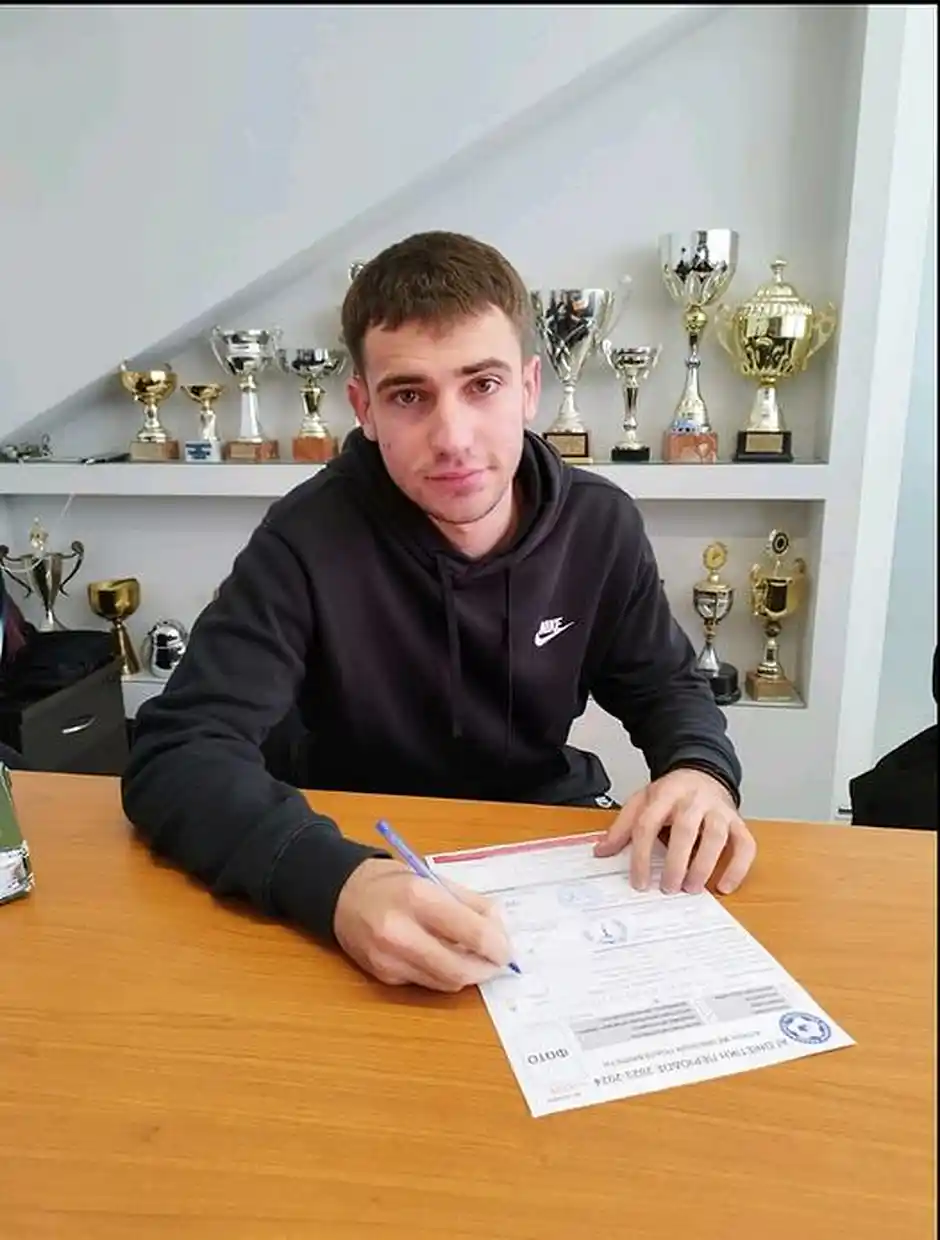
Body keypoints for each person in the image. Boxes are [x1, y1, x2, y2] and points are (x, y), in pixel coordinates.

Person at [122, 230, 756, 993]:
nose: (453, 438)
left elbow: (666, 687)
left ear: (529, 388)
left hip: (543, 843)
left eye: (482, 385)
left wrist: (699, 771)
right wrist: (335, 883)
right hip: (357, 843)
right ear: (364, 407)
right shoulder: (304, 539)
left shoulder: (600, 524)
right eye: (409, 396)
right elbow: (177, 752)